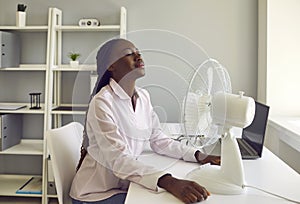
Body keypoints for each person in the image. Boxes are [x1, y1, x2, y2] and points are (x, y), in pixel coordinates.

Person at [69, 38, 220, 204]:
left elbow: (159, 140)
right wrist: (169, 181)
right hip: (95, 195)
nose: (138, 56)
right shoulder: (102, 103)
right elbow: (119, 160)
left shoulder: (143, 97)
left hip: (121, 185)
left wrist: (198, 155)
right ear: (111, 66)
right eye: (128, 53)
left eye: (138, 52)